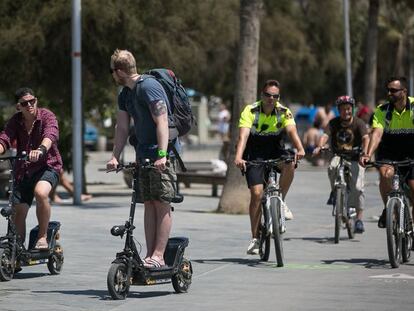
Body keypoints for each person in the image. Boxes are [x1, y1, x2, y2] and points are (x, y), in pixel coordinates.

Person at [106, 49, 177, 268]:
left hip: (162, 154)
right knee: (148, 202)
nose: (112, 76)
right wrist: (114, 156)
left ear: (119, 71)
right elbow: (122, 127)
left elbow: (162, 121)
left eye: (112, 72)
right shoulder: (125, 94)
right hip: (143, 155)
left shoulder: (149, 87)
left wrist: (162, 155)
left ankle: (159, 255)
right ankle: (150, 254)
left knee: (162, 203)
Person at [234, 79, 305, 255]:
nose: (270, 99)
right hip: (255, 155)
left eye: (274, 96)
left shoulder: (284, 111)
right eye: (267, 95)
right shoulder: (250, 110)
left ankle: (281, 201)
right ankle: (255, 238)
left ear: (278, 97)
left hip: (275, 151)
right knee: (257, 194)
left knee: (290, 163)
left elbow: (292, 132)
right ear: (261, 95)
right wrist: (238, 157)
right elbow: (243, 137)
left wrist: (301, 148)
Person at [0, 87, 62, 249]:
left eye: (32, 101)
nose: (29, 105)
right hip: (24, 171)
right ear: (18, 106)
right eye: (24, 103)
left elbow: (51, 134)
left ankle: (42, 237)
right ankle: (16, 251)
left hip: (47, 166)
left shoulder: (46, 116)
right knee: (19, 210)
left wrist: (41, 149)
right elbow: (5, 138)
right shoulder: (16, 121)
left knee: (40, 193)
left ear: (36, 101)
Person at [360, 76, 414, 228]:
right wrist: (367, 154)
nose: (389, 94)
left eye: (393, 90)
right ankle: (389, 208)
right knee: (385, 174)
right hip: (389, 151)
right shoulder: (382, 111)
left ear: (404, 91)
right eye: (388, 90)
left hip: (411, 151)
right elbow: (376, 134)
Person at [313, 96, 369, 233]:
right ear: (338, 110)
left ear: (353, 109)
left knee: (357, 187)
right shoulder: (333, 123)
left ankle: (359, 220)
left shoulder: (359, 123)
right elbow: (325, 135)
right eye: (343, 109)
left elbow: (365, 138)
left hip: (355, 157)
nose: (346, 112)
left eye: (348, 109)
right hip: (338, 155)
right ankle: (334, 192)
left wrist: (365, 152)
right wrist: (320, 146)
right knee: (332, 167)